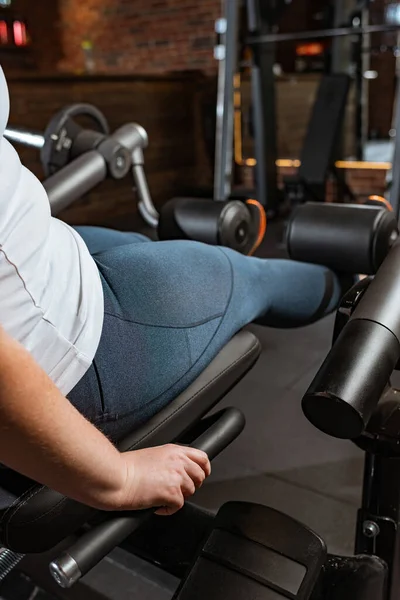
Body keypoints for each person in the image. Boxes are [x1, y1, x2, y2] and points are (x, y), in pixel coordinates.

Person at [0, 65, 346, 516]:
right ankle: (351, 277)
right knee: (251, 276)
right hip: (69, 355)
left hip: (49, 257)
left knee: (147, 248)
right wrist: (116, 479)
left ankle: (198, 258)